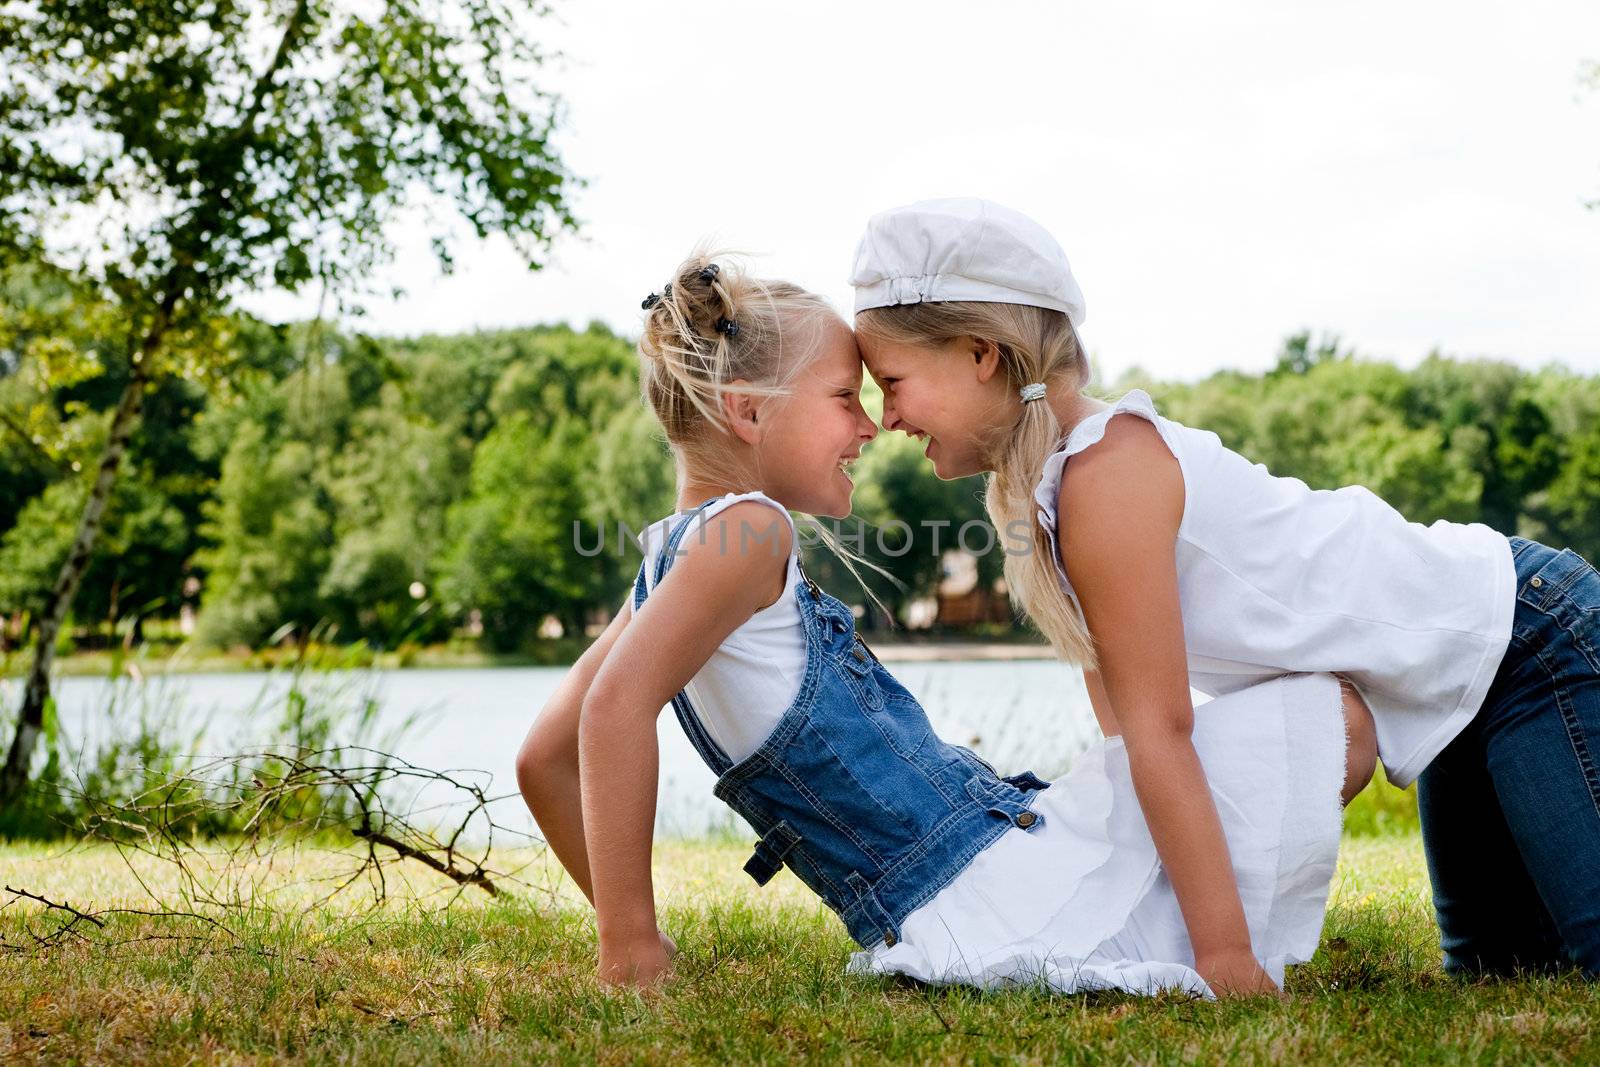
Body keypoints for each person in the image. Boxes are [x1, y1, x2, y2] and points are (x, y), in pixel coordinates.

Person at [516, 250, 1375, 995]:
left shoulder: (666, 566)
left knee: (1254, 747)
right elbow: (612, 713)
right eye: (841, 398)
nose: (870, 425)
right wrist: (629, 946)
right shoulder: (751, 531)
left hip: (960, 882)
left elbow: (543, 757)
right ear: (747, 413)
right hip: (985, 884)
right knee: (1338, 721)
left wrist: (636, 925)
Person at [849, 197, 1600, 983]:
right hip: (1457, 690)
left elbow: (1161, 733)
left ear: (981, 353)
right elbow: (1126, 749)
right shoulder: (1059, 489)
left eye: (893, 381)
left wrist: (1224, 956)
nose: (886, 416)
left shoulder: (1110, 475)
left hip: (1527, 637)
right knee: (1504, 974)